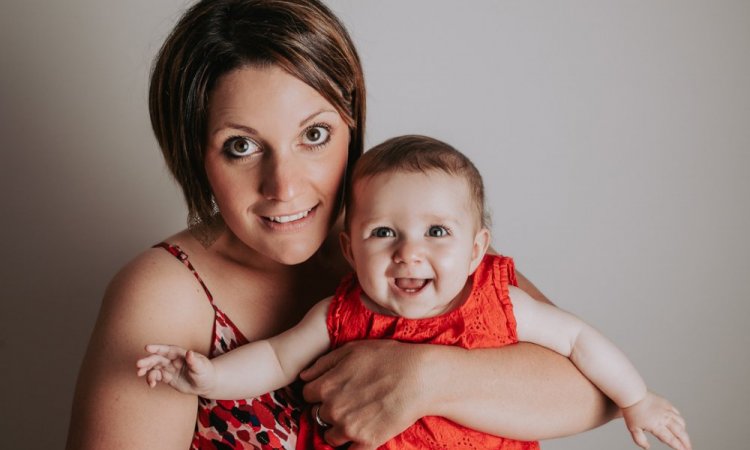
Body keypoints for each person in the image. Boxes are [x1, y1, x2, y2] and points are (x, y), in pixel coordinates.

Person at [66, 1, 616, 449]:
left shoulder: (407, 245)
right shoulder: (165, 295)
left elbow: (595, 393)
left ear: (352, 126)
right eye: (241, 146)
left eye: (314, 135)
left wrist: (424, 377)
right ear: (194, 156)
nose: (285, 186)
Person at [136, 135, 691, 450]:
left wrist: (636, 399)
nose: (409, 252)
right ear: (350, 250)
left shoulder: (495, 302)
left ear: (477, 250)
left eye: (437, 233)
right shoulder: (337, 313)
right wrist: (209, 377)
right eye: (384, 234)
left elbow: (577, 341)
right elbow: (276, 359)